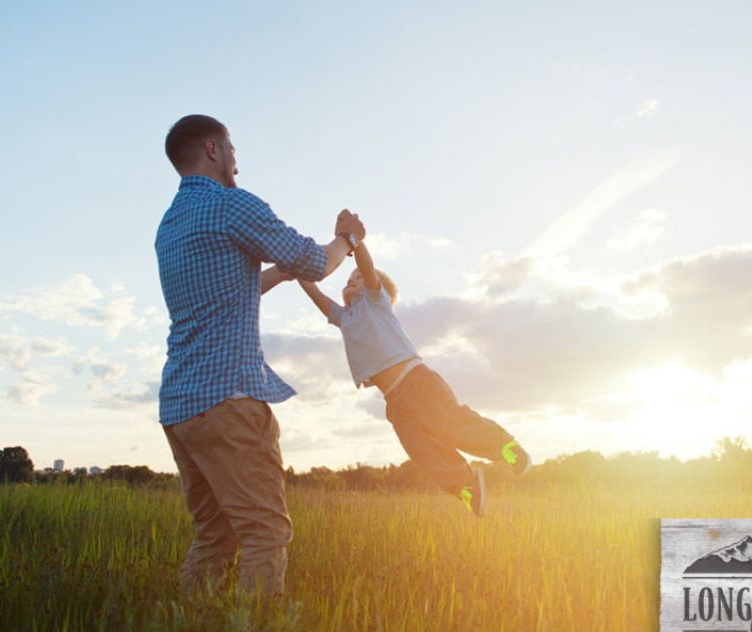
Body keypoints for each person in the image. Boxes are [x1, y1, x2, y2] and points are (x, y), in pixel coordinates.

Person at [155, 114, 364, 598]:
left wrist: (280, 273)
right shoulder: (231, 205)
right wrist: (347, 240)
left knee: (213, 537)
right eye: (232, 150)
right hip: (229, 398)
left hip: (181, 404)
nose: (235, 161)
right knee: (265, 532)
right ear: (212, 149)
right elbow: (316, 260)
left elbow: (230, 289)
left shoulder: (169, 227)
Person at [288, 238, 532, 517]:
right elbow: (318, 298)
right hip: (394, 401)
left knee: (451, 425)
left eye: (357, 278)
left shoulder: (377, 303)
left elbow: (367, 269)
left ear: (373, 288)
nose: (351, 280)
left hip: (416, 381)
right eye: (348, 279)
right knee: (422, 450)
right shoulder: (346, 318)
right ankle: (466, 484)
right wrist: (296, 272)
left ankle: (504, 447)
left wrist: (355, 242)